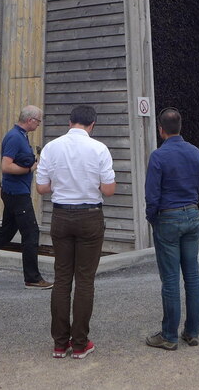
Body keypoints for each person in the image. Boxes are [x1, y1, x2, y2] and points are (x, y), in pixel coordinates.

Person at [36, 104, 116, 359]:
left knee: (61, 278)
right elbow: (109, 190)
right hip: (90, 215)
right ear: (92, 125)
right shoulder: (99, 148)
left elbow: (41, 188)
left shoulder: (51, 147)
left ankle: (60, 343)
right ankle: (80, 343)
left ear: (70, 122)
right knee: (84, 280)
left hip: (60, 214)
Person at [144, 108, 199, 350]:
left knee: (170, 279)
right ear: (180, 126)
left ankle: (169, 335)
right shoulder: (196, 152)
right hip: (192, 214)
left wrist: (152, 218)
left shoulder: (159, 156)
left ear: (161, 130)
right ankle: (192, 331)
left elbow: (152, 195)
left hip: (167, 217)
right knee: (192, 275)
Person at [0, 105, 52, 289]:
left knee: (6, 232)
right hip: (16, 193)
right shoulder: (15, 137)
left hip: (14, 191)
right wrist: (29, 168)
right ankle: (32, 278)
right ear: (30, 120)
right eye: (38, 121)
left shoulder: (21, 136)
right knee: (31, 233)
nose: (39, 124)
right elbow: (6, 166)